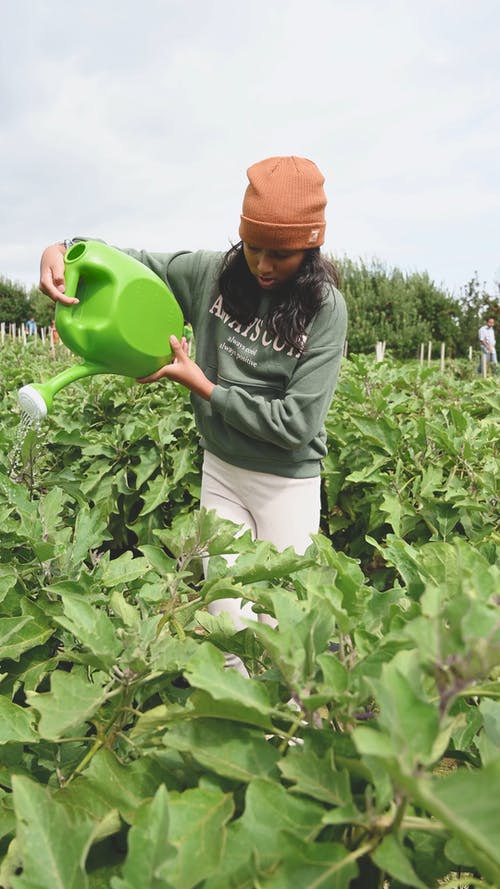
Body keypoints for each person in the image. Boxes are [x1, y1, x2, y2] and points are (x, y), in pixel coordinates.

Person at [38, 155, 347, 646]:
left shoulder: (325, 308)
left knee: (285, 633)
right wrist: (63, 249)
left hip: (286, 484)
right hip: (222, 471)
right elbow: (130, 263)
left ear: (309, 249)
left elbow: (296, 425)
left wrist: (203, 385)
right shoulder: (212, 274)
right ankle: (232, 720)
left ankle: (282, 724)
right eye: (253, 247)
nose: (264, 265)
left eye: (281, 255)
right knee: (229, 624)